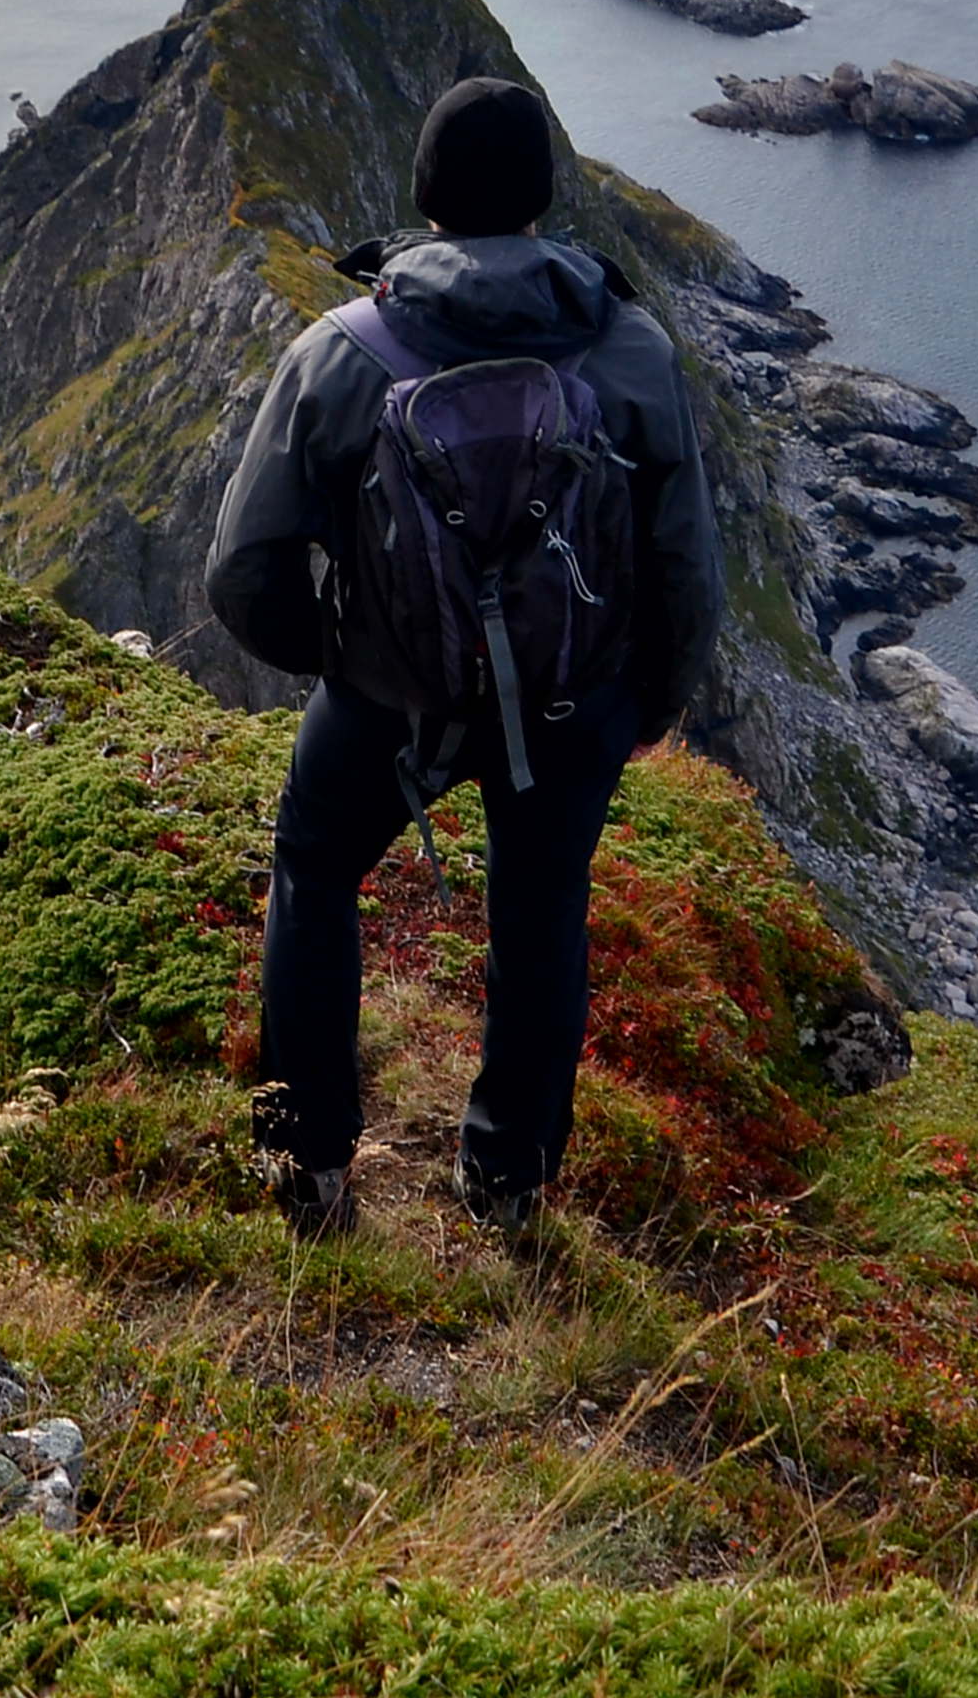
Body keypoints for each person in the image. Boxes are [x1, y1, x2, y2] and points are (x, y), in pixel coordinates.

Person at [205, 75, 725, 1236]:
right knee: (542, 913)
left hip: (385, 698)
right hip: (571, 703)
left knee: (315, 867)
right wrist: (646, 702)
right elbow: (686, 566)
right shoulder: (632, 353)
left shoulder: (342, 354)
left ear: (424, 196)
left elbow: (242, 568)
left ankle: (312, 1161)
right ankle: (506, 1184)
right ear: (544, 197)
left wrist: (341, 658)